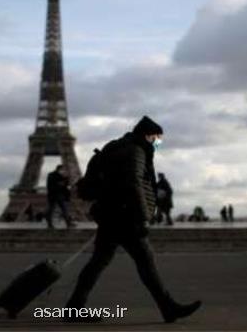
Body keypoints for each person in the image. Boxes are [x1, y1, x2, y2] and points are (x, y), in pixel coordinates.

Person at [65, 115, 201, 323]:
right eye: (157, 139)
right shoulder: (136, 151)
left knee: (99, 262)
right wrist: (143, 217)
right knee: (145, 261)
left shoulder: (116, 147)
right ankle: (168, 308)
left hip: (109, 212)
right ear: (147, 135)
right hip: (125, 215)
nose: (158, 143)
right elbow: (134, 183)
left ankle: (74, 307)